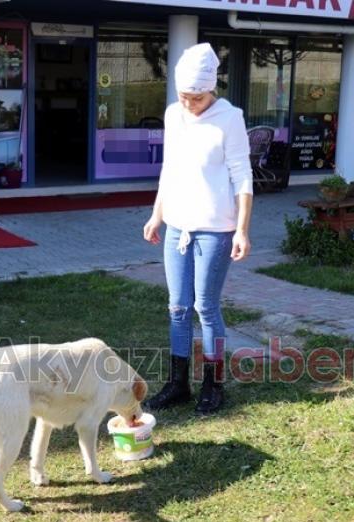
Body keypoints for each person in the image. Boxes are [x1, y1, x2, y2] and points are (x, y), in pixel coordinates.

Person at [143, 43, 253, 415]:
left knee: (205, 307)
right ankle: (178, 385)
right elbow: (169, 169)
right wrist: (157, 215)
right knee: (177, 307)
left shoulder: (230, 117)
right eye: (184, 96)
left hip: (215, 230)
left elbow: (242, 176)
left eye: (197, 97)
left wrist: (241, 230)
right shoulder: (174, 114)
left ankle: (213, 384)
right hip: (177, 226)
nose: (190, 103)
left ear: (212, 89)